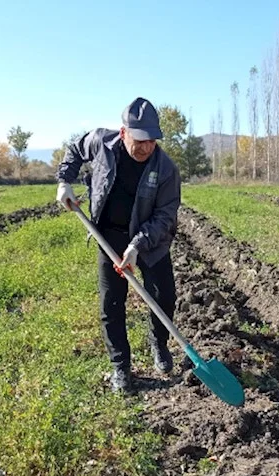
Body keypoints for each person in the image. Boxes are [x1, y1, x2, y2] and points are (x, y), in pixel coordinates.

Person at [55, 97, 181, 393]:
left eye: (152, 140)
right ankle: (121, 367)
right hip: (109, 234)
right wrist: (64, 180)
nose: (146, 146)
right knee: (111, 303)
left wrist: (137, 246)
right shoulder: (101, 142)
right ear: (124, 133)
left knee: (164, 297)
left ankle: (159, 343)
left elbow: (165, 215)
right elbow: (75, 149)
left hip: (151, 240)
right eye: (140, 140)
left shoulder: (166, 169)